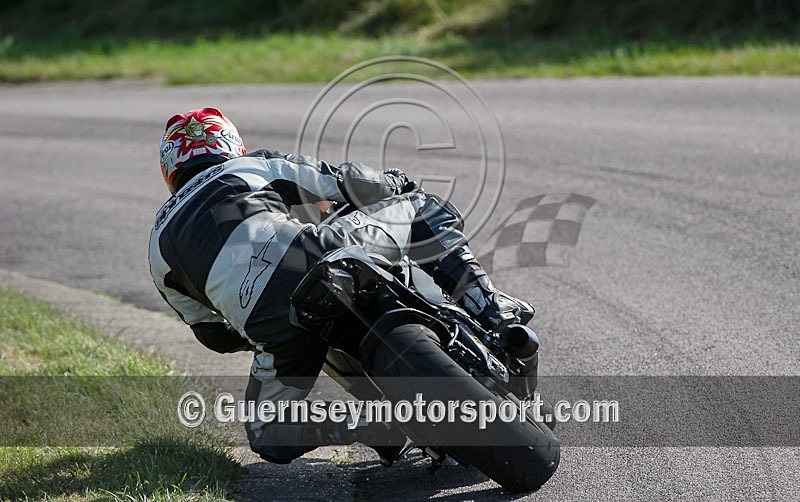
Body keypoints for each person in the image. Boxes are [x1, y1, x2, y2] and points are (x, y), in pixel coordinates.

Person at [148, 107, 534, 465]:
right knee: (424, 208)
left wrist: (263, 327)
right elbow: (348, 183)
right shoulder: (252, 166)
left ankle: (367, 421)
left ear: (170, 168)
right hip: (323, 257)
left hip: (276, 327)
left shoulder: (157, 247)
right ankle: (492, 309)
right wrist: (393, 182)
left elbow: (214, 336)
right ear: (230, 144)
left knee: (267, 431)